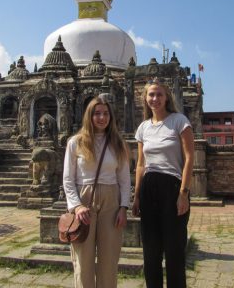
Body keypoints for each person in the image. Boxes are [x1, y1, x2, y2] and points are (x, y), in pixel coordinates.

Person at [132, 80, 195, 288]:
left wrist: (183, 193)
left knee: (174, 250)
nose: (155, 99)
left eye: (159, 94)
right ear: (145, 99)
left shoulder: (179, 121)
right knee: (151, 251)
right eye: (151, 95)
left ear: (167, 97)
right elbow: (141, 164)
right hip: (149, 187)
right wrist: (137, 195)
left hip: (173, 187)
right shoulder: (143, 128)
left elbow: (189, 158)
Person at [63, 96, 131, 288]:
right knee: (83, 263)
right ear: (89, 116)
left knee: (109, 261)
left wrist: (123, 207)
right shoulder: (75, 142)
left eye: (106, 113)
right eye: (97, 113)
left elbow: (124, 179)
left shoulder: (118, 143)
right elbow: (68, 179)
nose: (102, 118)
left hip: (111, 201)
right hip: (84, 200)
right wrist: (76, 206)